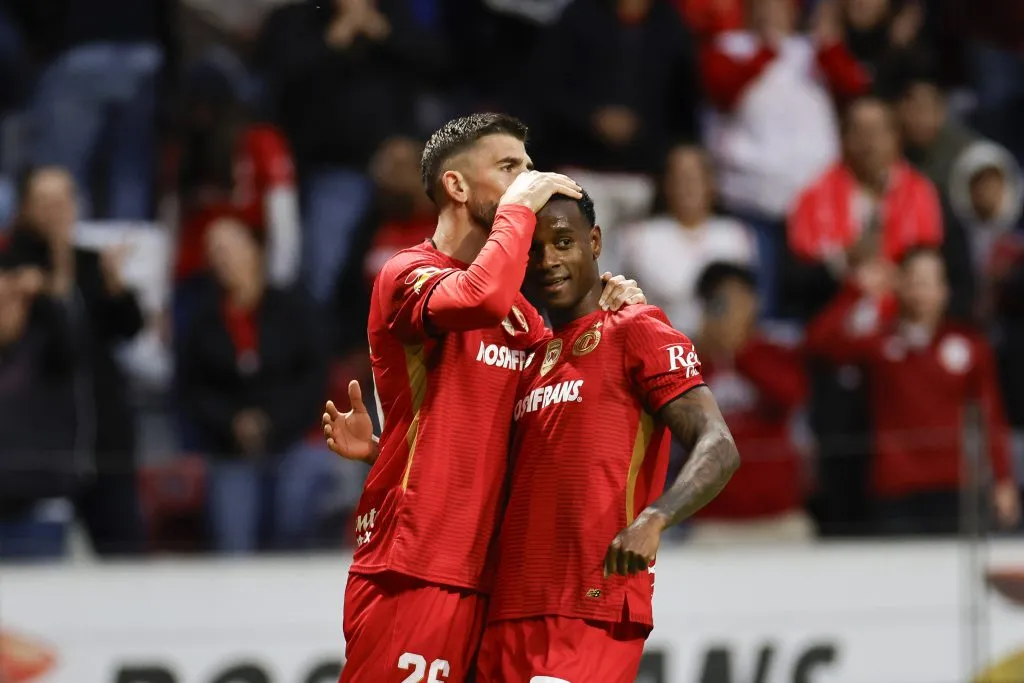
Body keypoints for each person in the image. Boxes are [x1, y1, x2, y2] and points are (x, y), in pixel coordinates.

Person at [319, 113, 644, 682]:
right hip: (417, 564)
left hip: (497, 583)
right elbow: (480, 296)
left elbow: (554, 417)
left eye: (530, 168)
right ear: (457, 185)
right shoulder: (407, 273)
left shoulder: (523, 316)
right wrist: (521, 208)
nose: (529, 181)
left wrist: (612, 317)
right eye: (510, 168)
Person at [475, 192, 740, 681]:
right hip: (506, 611)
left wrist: (656, 518)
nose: (548, 260)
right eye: (534, 249)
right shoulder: (529, 359)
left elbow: (719, 445)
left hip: (590, 607)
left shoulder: (637, 329)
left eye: (563, 242)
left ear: (594, 242)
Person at [805, 247, 1021, 535]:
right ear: (899, 285)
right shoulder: (878, 343)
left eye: (930, 281)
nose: (922, 291)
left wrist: (1003, 479)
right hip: (896, 488)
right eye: (915, 280)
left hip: (957, 486)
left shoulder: (970, 345)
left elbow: (990, 417)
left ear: (944, 290)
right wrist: (856, 291)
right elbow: (818, 344)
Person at [2, 166, 146, 556]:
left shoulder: (91, 263)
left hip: (104, 439)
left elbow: (129, 329)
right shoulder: (11, 266)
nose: (55, 210)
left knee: (125, 557)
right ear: (25, 208)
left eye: (63, 200)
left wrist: (116, 287)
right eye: (44, 201)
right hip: (37, 451)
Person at [177, 217, 327, 553]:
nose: (223, 258)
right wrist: (233, 423)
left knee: (306, 485)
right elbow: (192, 388)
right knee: (233, 539)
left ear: (255, 251)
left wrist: (271, 422)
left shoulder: (292, 309)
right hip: (228, 447)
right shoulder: (201, 320)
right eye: (215, 251)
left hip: (291, 438)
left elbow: (312, 379)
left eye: (230, 248)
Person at [684, 262, 812, 544]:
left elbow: (791, 396)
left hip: (779, 515)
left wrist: (741, 352)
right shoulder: (690, 361)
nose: (732, 311)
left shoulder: (774, 352)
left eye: (740, 300)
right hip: (714, 519)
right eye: (721, 302)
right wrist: (707, 350)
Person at [619, 145, 757, 334]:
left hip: (720, 344)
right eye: (679, 178)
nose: (688, 186)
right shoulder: (639, 236)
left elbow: (744, 303)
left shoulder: (735, 235)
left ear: (711, 183)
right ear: (665, 184)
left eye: (695, 177)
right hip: (657, 341)